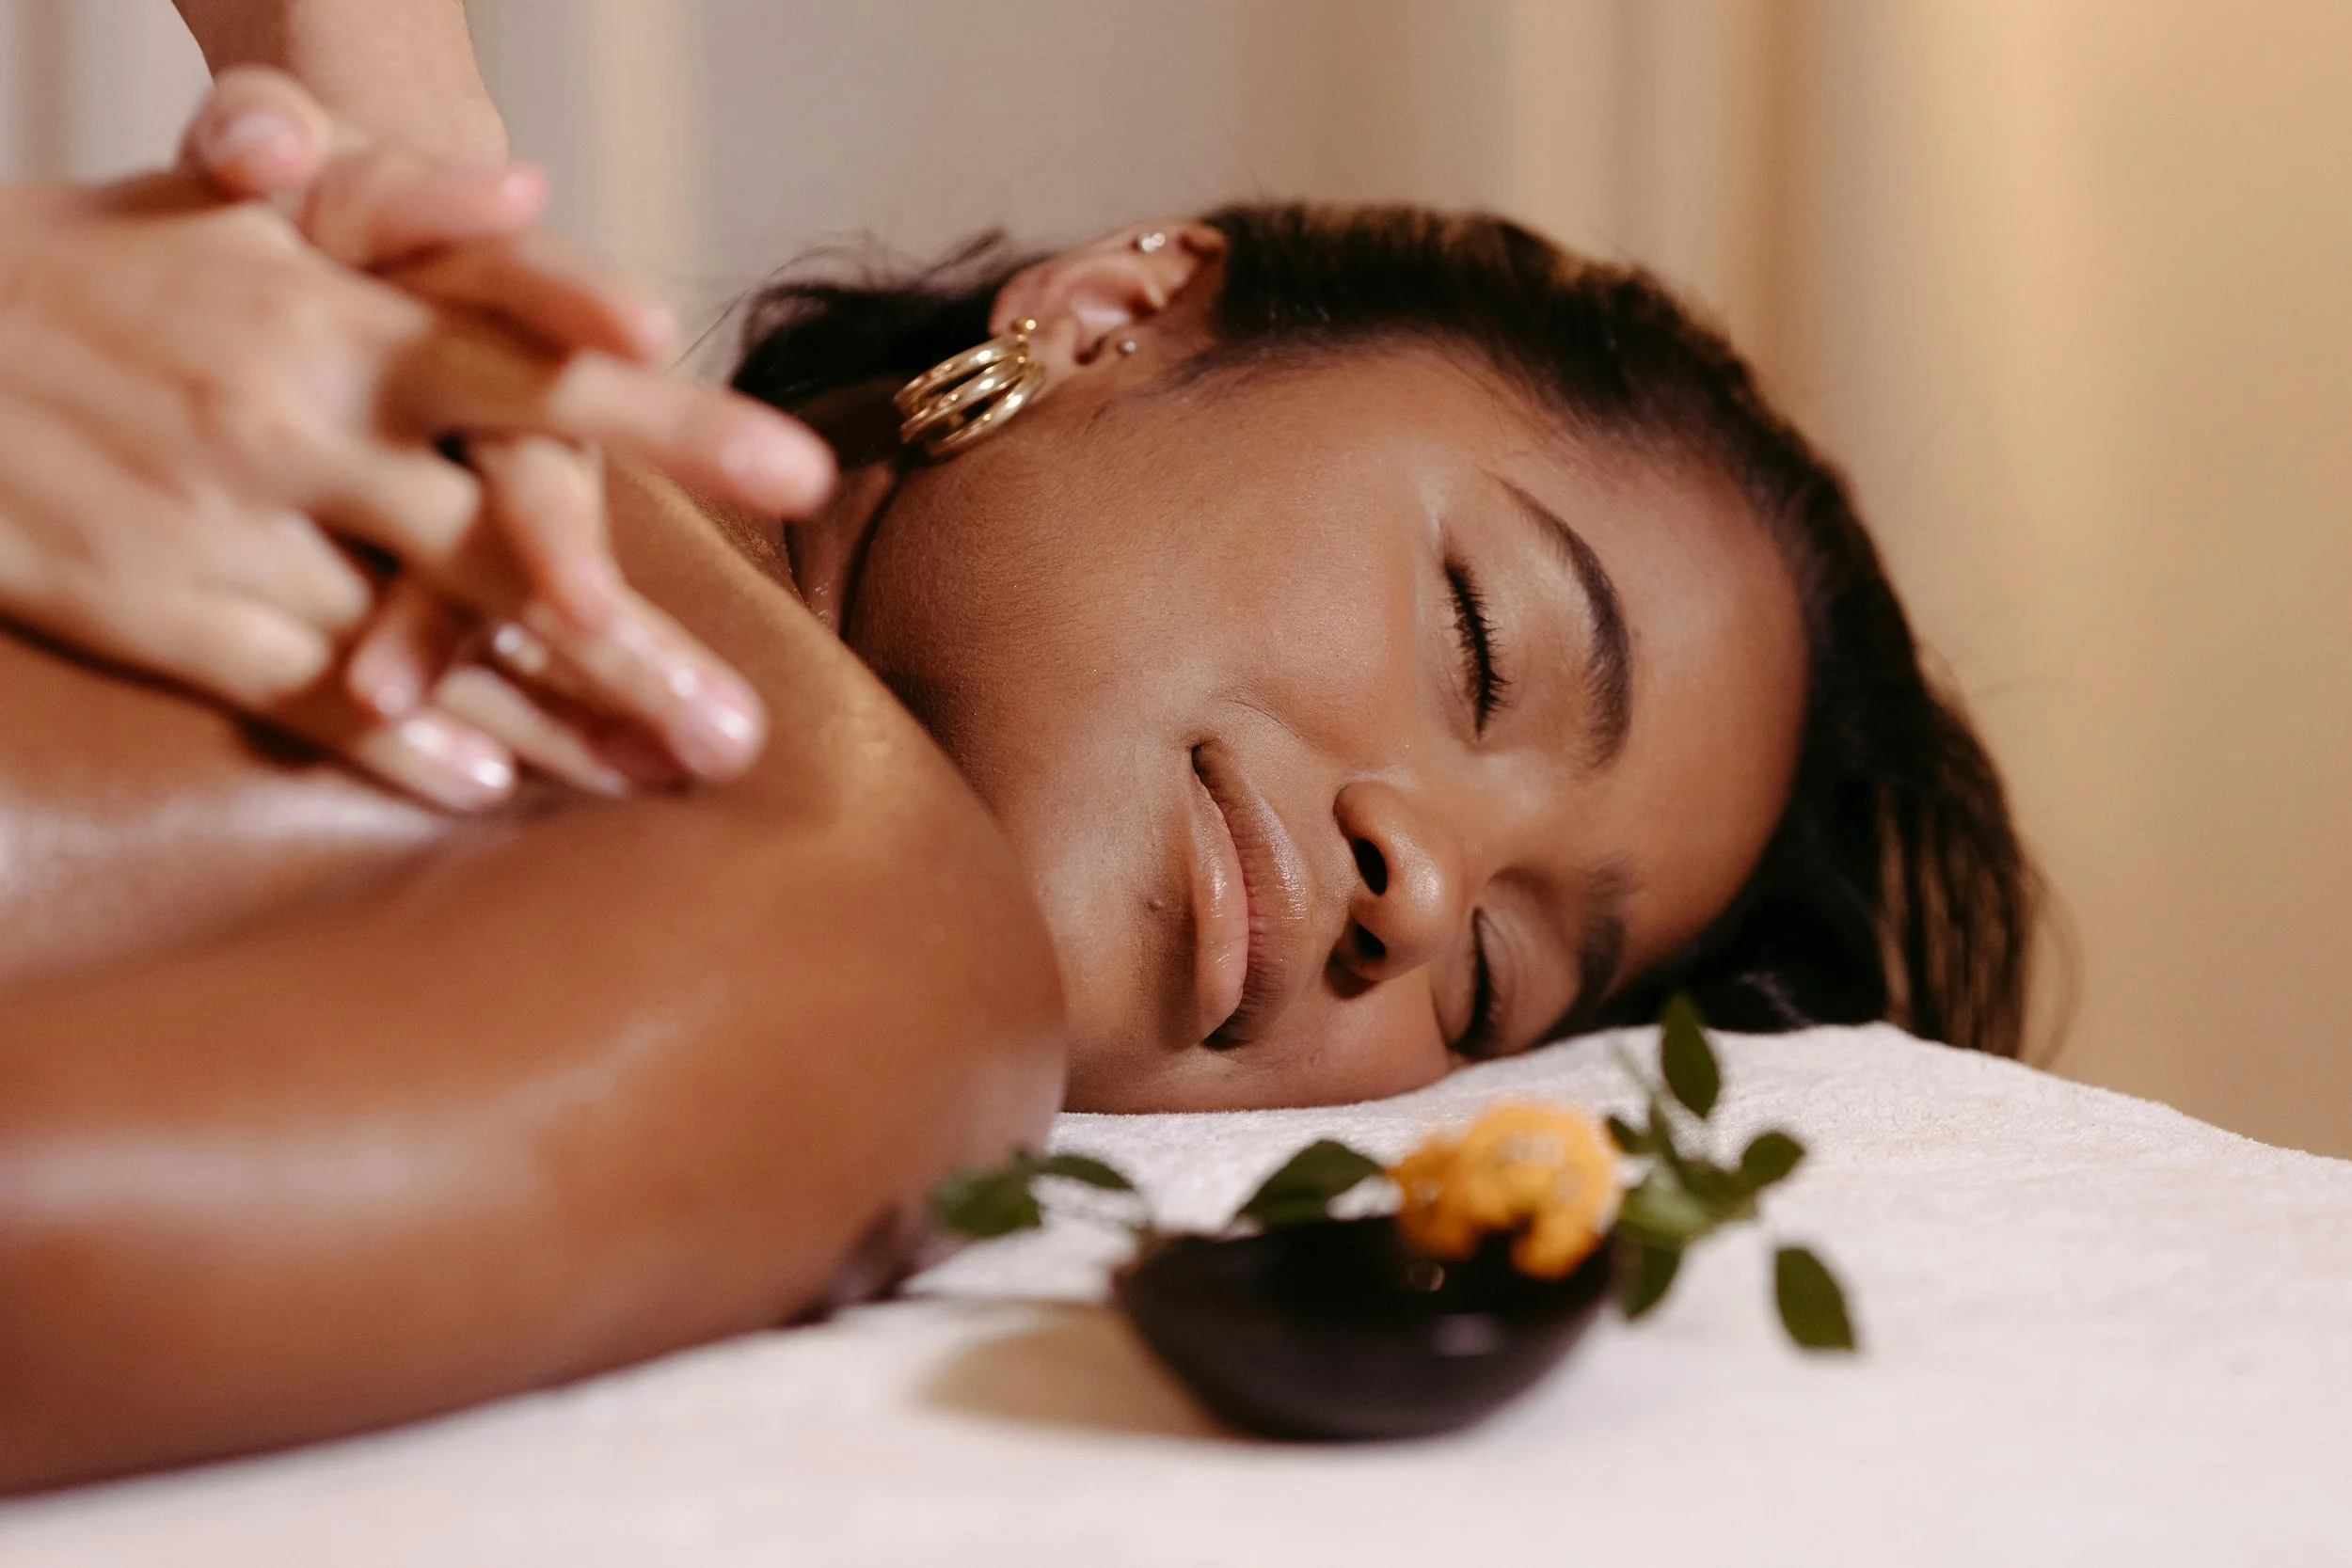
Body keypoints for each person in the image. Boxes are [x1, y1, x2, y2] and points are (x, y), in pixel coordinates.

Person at [0, 21, 2035, 1494]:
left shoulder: (873, 939)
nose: (1419, 893)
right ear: (1113, 312)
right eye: (1483, 644)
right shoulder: (867, 927)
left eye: (1495, 979)